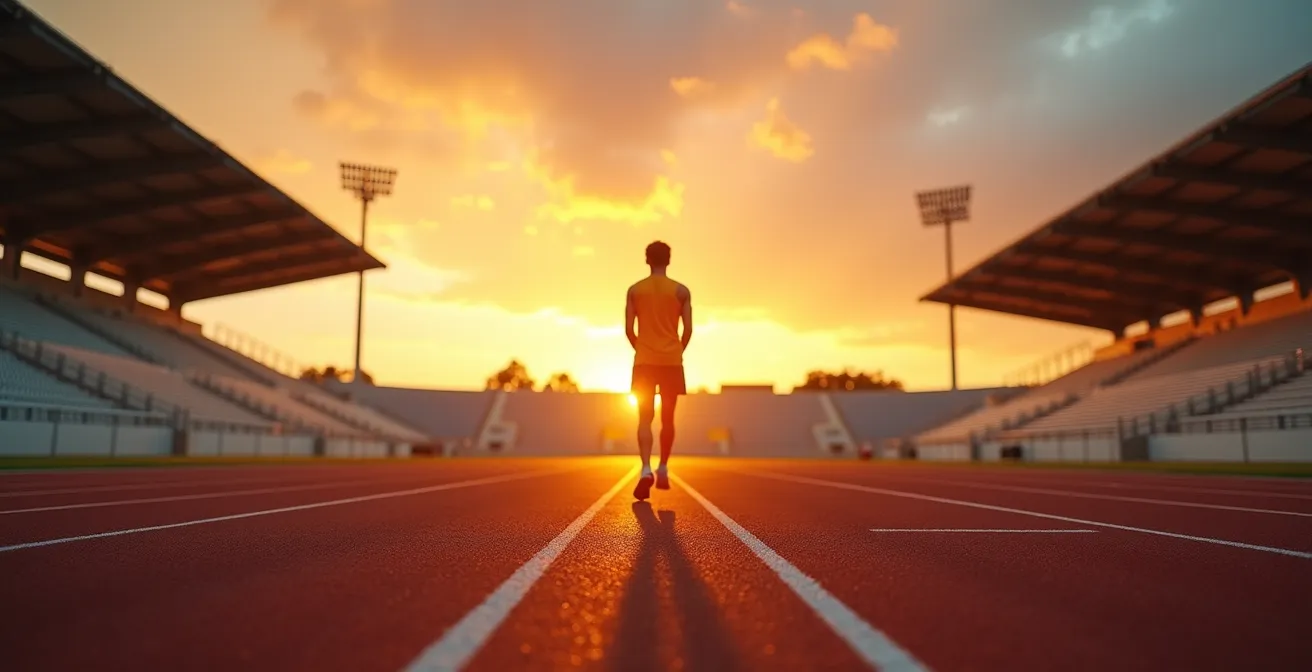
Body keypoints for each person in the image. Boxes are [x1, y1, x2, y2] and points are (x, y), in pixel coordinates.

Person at [625, 241, 692, 500]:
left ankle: (644, 469)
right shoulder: (681, 291)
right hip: (671, 361)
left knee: (644, 418)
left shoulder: (634, 291)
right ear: (669, 259)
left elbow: (629, 330)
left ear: (646, 259)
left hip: (644, 360)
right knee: (668, 418)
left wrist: (641, 348)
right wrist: (677, 351)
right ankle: (663, 467)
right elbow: (688, 330)